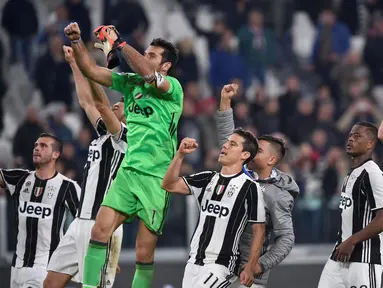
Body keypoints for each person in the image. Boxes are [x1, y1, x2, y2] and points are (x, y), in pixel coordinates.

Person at [63, 22, 183, 288]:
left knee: (143, 253)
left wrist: (120, 43)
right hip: (128, 172)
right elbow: (92, 71)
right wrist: (77, 41)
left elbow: (147, 74)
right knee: (99, 230)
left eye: (152, 55)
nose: (145, 57)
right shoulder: (131, 84)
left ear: (165, 66)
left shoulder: (172, 89)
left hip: (157, 177)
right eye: (146, 52)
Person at [43, 46, 127, 288]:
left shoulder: (125, 138)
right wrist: (74, 65)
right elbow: (87, 103)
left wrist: (87, 66)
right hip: (79, 221)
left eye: (121, 104)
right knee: (50, 283)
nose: (116, 105)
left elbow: (100, 105)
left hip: (100, 226)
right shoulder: (104, 134)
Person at [216, 84, 299, 287]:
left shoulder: (278, 194)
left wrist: (259, 265)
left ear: (271, 160)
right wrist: (226, 102)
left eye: (258, 150)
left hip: (247, 274)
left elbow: (286, 238)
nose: (252, 152)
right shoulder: (242, 174)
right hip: (220, 264)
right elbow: (229, 141)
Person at [162, 133, 266, 288]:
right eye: (226, 142)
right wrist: (180, 155)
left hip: (221, 264)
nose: (225, 146)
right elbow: (169, 185)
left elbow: (259, 229)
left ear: (245, 155)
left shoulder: (250, 187)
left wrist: (250, 267)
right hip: (193, 261)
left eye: (233, 144)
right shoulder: (207, 178)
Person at [1, 133, 80, 288]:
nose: (37, 148)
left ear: (55, 154)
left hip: (45, 267)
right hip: (17, 267)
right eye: (36, 145)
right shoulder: (21, 179)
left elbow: (86, 220)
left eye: (43, 146)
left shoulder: (68, 187)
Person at [317, 121, 383, 288]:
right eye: (350, 135)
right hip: (340, 255)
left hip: (364, 257)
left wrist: (352, 241)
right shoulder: (351, 173)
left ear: (370, 144)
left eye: (357, 136)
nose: (351, 139)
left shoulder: (373, 174)